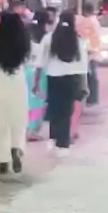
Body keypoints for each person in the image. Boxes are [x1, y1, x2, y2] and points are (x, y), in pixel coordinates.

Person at [34, 10, 89, 157]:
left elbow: (40, 63)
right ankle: (63, 144)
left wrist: (36, 82)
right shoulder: (78, 40)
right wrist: (84, 83)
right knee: (66, 111)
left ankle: (53, 138)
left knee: (54, 108)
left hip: (53, 77)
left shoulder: (49, 38)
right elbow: (83, 64)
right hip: (72, 79)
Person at [0, 11, 31, 176]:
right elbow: (29, 63)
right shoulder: (25, 45)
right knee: (19, 120)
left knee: (0, 123)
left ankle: (3, 160)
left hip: (0, 82)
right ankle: (16, 148)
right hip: (18, 81)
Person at [26, 9, 51, 141]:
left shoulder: (26, 33)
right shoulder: (47, 37)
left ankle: (27, 128)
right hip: (40, 72)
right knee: (38, 103)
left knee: (28, 102)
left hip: (26, 70)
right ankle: (32, 130)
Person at [76, 3, 101, 108]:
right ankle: (93, 98)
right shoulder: (95, 21)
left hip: (90, 51)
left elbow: (87, 37)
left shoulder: (89, 22)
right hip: (94, 50)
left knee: (91, 75)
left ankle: (92, 98)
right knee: (92, 75)